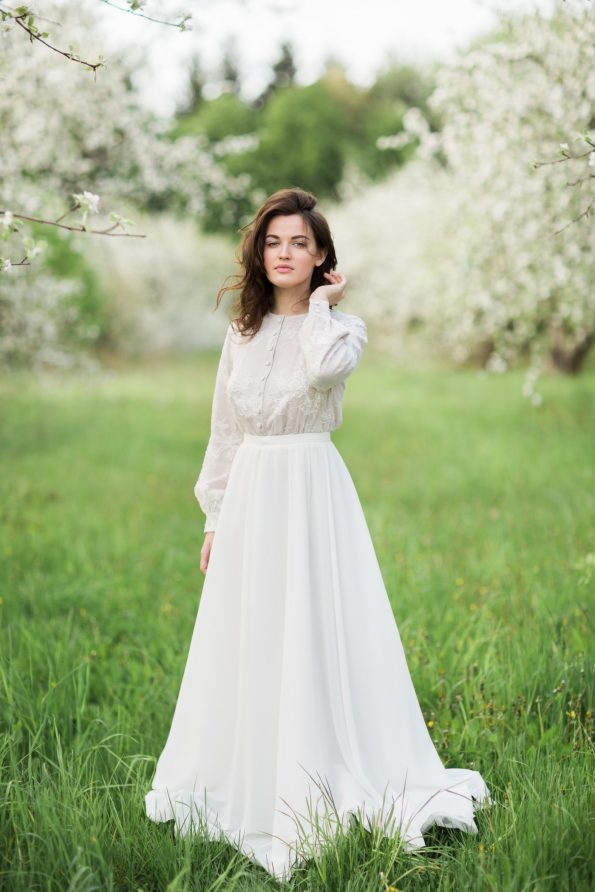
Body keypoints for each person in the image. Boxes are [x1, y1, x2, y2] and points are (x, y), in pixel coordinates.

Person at [145, 187, 491, 880]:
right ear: (258, 251)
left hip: (311, 490)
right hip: (251, 493)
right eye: (273, 242)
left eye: (298, 243)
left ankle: (321, 768)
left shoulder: (341, 329)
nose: (283, 254)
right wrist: (214, 515)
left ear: (321, 255)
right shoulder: (239, 332)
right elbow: (225, 429)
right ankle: (250, 769)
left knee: (313, 625)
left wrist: (325, 305)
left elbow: (322, 371)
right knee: (253, 630)